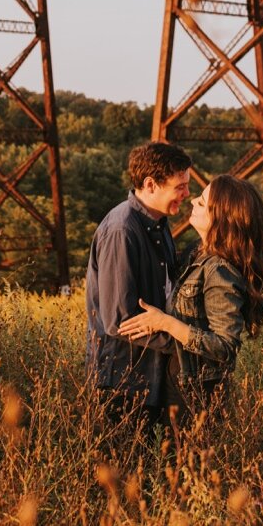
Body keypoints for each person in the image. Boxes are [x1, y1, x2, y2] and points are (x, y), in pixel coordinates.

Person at [116, 174, 263, 419]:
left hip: (198, 394)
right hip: (178, 383)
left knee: (190, 457)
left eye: (201, 202)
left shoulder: (219, 270)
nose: (192, 202)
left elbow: (225, 346)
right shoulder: (195, 254)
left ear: (220, 217)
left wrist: (165, 323)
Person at [85, 141, 193, 431]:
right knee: (125, 474)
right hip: (123, 383)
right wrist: (185, 342)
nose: (186, 193)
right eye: (179, 186)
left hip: (150, 377)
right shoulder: (122, 230)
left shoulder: (158, 224)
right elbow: (119, 321)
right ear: (150, 184)